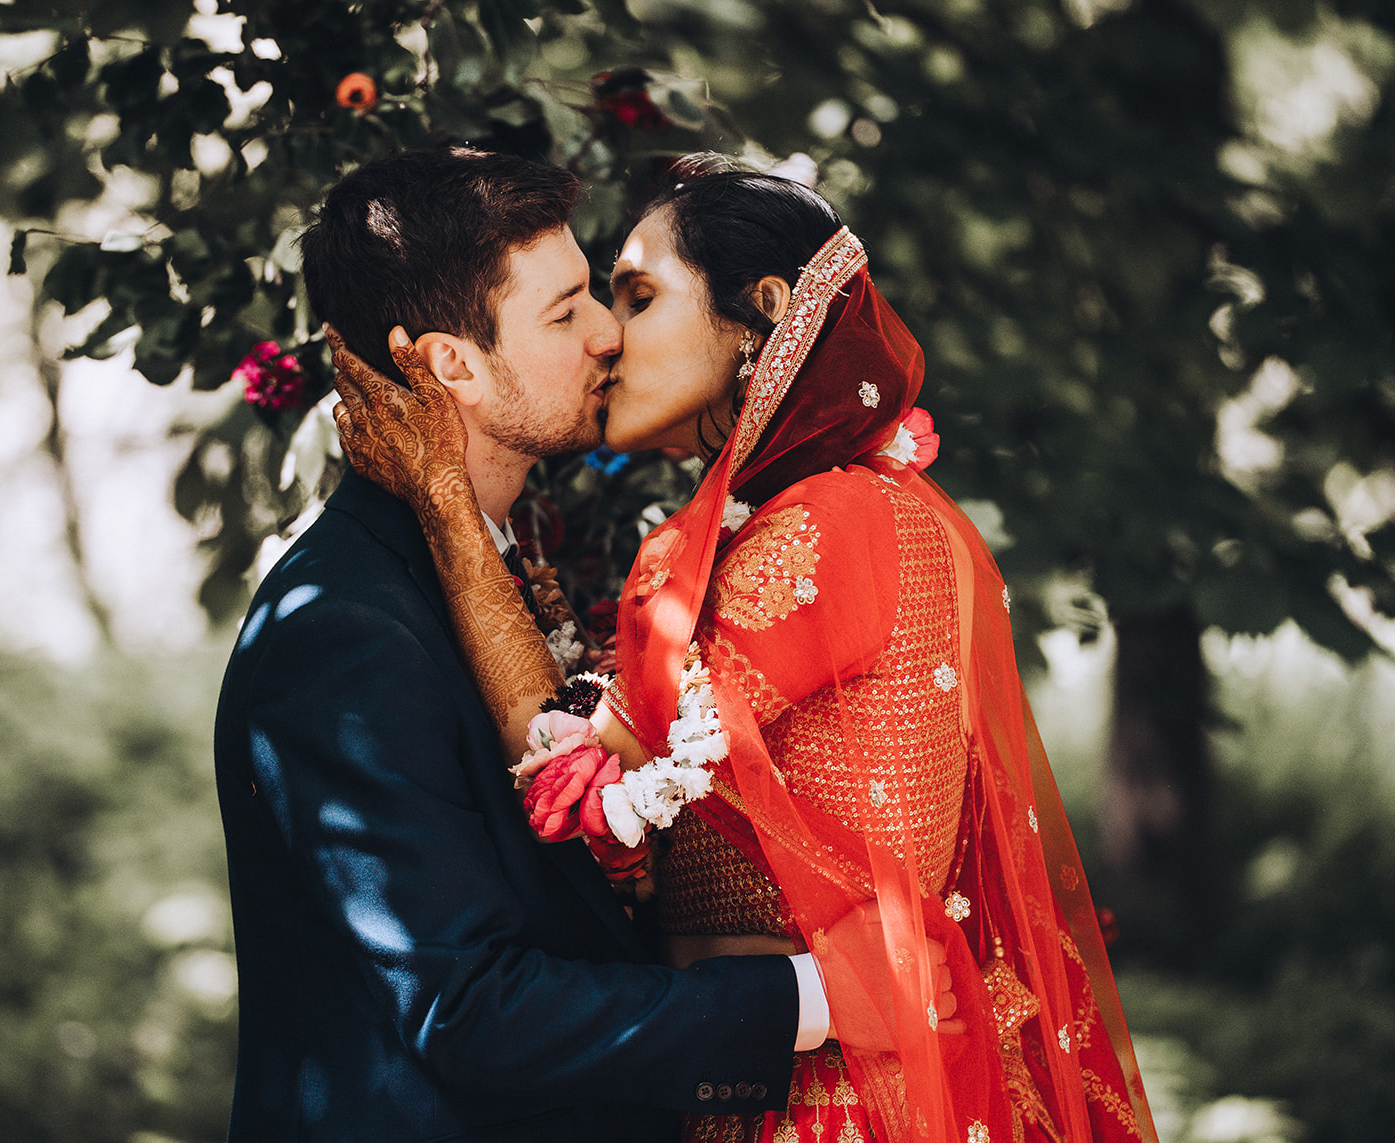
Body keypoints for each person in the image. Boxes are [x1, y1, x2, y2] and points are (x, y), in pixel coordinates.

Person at [331, 159, 1161, 1143]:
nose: (606, 334)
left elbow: (574, 790)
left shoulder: (831, 524)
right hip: (783, 1076)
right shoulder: (819, 514)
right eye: (591, 303)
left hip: (832, 1104)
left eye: (636, 296)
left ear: (759, 313)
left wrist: (446, 510)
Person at [212, 148, 844, 1143]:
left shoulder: (514, 563)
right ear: (451, 366)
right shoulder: (342, 634)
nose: (606, 335)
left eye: (600, 295)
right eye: (565, 312)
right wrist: (816, 997)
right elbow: (463, 1008)